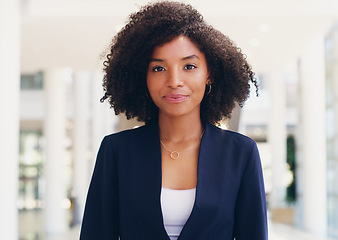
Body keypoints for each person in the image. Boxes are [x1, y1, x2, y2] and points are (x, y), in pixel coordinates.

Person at [80, 1, 267, 240]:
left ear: (209, 73)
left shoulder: (241, 153)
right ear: (143, 77)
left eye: (189, 66)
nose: (174, 80)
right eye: (158, 68)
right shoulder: (116, 151)